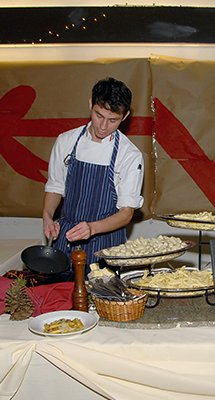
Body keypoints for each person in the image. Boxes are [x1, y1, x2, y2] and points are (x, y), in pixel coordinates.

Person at [43, 77, 144, 275]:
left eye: (113, 120)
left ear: (125, 117)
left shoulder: (129, 155)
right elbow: (55, 187)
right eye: (99, 115)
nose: (103, 126)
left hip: (106, 244)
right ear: (91, 104)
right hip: (68, 238)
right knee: (62, 298)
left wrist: (92, 228)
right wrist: (47, 215)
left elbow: (126, 213)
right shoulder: (66, 141)